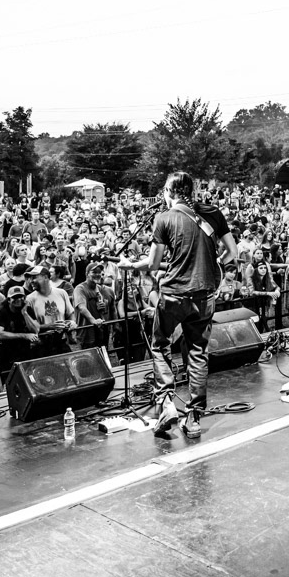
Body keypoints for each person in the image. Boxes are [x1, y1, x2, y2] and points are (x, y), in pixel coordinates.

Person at [125, 171, 237, 439]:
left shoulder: (164, 218)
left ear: (170, 191)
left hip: (174, 294)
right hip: (204, 295)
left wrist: (131, 265)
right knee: (197, 352)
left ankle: (166, 404)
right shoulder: (213, 213)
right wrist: (216, 264)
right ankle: (194, 417)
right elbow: (233, 252)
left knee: (160, 344)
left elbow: (153, 264)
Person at [72, 262, 116, 350]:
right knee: (88, 356)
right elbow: (82, 308)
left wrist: (103, 306)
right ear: (87, 273)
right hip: (86, 332)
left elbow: (110, 309)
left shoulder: (101, 289)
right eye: (94, 272)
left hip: (101, 331)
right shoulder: (80, 289)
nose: (97, 274)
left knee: (103, 354)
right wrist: (93, 320)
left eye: (99, 272)